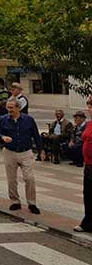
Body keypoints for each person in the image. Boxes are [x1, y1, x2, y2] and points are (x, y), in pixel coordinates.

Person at [0, 97, 42, 214]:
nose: (9, 110)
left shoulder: (29, 120)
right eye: (8, 108)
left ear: (18, 108)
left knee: (29, 178)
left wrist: (41, 150)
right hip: (9, 152)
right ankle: (15, 201)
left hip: (26, 152)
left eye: (11, 108)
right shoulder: (3, 119)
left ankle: (32, 203)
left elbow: (36, 135)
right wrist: (2, 138)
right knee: (11, 179)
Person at [74, 96, 92, 233]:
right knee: (88, 194)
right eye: (89, 106)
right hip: (88, 165)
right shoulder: (90, 124)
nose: (90, 109)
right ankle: (88, 223)